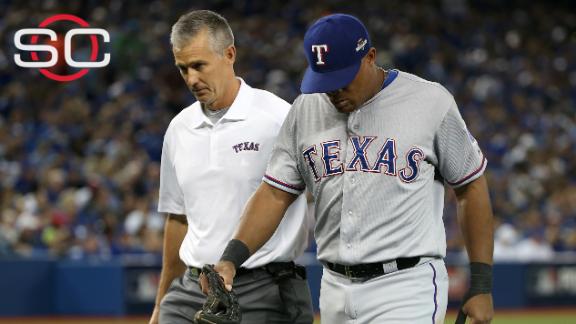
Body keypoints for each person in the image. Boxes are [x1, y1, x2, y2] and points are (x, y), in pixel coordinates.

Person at [210, 14, 495, 324]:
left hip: (405, 286)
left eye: (342, 78)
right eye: (325, 80)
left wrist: (481, 284)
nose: (333, 91)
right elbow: (275, 192)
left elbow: (471, 186)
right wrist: (231, 259)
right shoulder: (306, 109)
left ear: (369, 57)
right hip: (334, 288)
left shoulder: (430, 102)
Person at [150, 10, 314, 324]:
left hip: (263, 287)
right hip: (191, 289)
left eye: (199, 66)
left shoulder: (277, 117)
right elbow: (179, 218)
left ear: (229, 54)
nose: (191, 79)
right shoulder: (179, 128)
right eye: (183, 68)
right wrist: (162, 301)